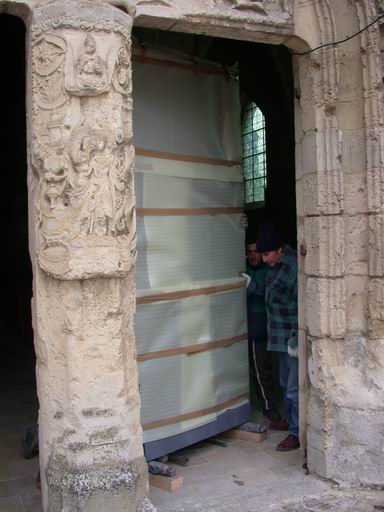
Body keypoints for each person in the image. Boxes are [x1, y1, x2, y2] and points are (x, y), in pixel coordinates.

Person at [244, 223, 299, 451]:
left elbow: (303, 306)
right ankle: (289, 420)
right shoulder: (275, 266)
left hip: (291, 338)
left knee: (294, 387)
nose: (264, 259)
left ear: (279, 250)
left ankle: (296, 433)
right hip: (278, 336)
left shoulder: (293, 267)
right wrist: (251, 284)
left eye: (266, 254)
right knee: (285, 383)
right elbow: (269, 294)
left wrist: (296, 339)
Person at [245, 240, 285, 429]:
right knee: (262, 370)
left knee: (270, 370)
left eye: (256, 251)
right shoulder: (243, 268)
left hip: (269, 326)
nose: (253, 255)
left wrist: (252, 285)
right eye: (249, 251)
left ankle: (272, 407)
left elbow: (270, 292)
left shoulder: (270, 270)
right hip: (253, 326)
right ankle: (269, 407)